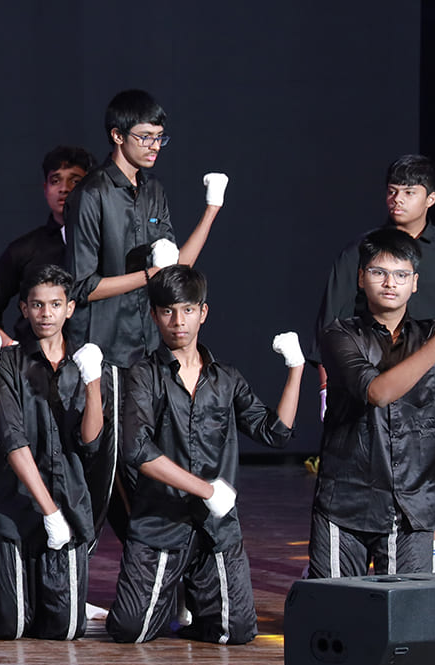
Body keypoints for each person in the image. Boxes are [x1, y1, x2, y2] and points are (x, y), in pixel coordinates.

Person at [311, 154, 435, 574]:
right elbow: (330, 322)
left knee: (430, 500)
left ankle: (430, 583)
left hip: (434, 399)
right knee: (358, 493)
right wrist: (326, 387)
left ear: (431, 198)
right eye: (392, 191)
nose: (398, 200)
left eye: (409, 192)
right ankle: (343, 564)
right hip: (365, 390)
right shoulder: (361, 251)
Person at [63, 89, 225, 546]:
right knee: (102, 467)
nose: (155, 146)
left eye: (160, 138)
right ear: (118, 136)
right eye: (145, 137)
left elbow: (177, 272)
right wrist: (148, 274)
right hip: (104, 354)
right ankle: (73, 568)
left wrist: (212, 210)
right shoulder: (91, 194)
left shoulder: (154, 191)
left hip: (147, 351)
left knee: (150, 461)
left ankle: (160, 563)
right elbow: (81, 286)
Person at [106, 265, 300, 645]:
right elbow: (137, 450)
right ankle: (171, 590)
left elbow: (275, 433)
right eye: (168, 311)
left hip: (215, 529)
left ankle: (193, 594)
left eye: (188, 310)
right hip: (160, 523)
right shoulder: (144, 375)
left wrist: (296, 369)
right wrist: (206, 490)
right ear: (154, 315)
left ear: (203, 313)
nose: (178, 321)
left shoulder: (226, 378)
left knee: (237, 631)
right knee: (131, 629)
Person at [0, 264, 103, 641]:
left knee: (65, 629)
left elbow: (90, 440)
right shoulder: (9, 363)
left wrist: (94, 384)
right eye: (37, 305)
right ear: (25, 309)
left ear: (70, 308)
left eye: (55, 304)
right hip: (17, 508)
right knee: (8, 626)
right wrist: (49, 511)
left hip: (70, 505)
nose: (46, 313)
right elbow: (12, 440)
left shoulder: (84, 361)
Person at [0, 144, 93, 341]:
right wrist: (8, 346)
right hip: (33, 356)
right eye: (55, 181)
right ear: (45, 189)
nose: (64, 188)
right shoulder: (25, 249)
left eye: (75, 181)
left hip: (97, 354)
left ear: (90, 188)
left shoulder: (107, 245)